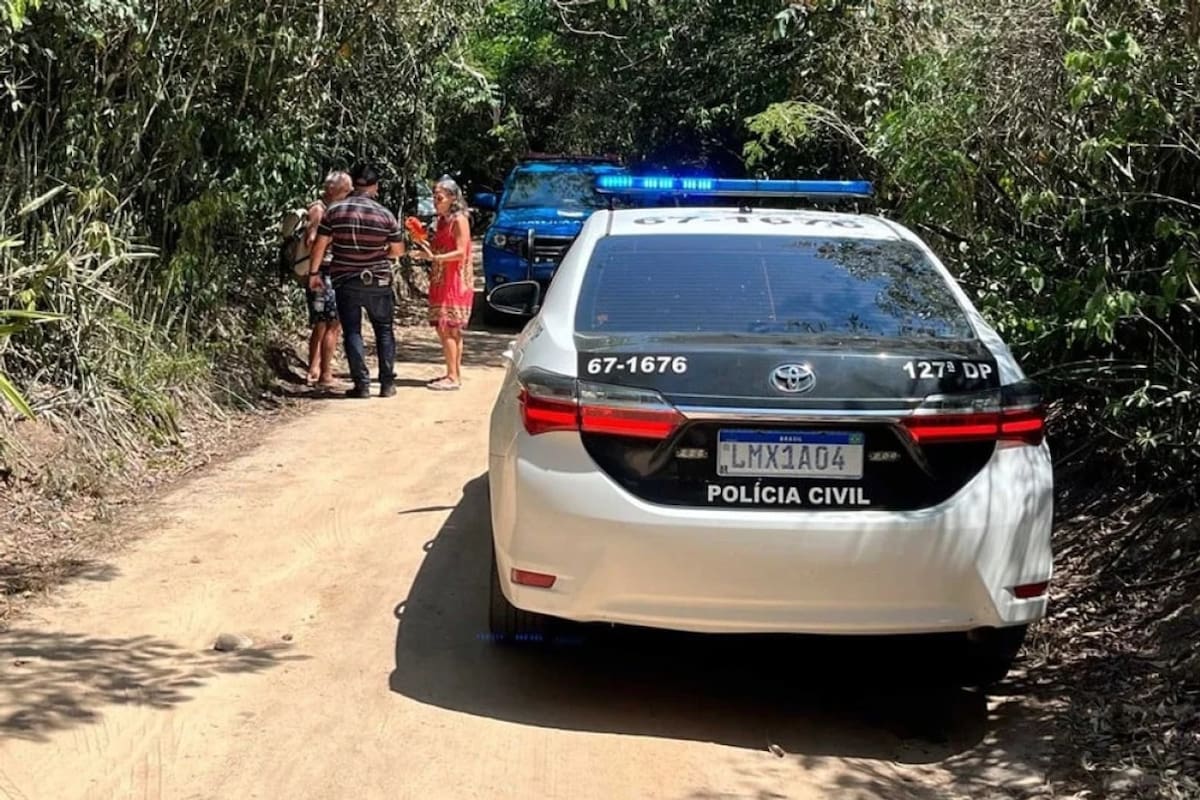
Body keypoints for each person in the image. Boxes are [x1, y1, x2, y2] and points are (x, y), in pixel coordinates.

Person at [307, 163, 405, 398]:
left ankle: (361, 385)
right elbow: (397, 251)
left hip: (345, 279)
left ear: (353, 184)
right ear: (375, 187)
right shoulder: (385, 215)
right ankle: (387, 384)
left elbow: (320, 244)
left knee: (352, 331)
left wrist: (313, 274)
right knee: (383, 329)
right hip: (378, 279)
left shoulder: (335, 212)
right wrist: (379, 254)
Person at [411, 176, 473, 390]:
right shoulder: (443, 221)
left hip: (453, 281)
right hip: (441, 278)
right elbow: (438, 248)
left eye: (439, 198)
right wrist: (423, 247)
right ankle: (452, 373)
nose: (436, 202)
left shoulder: (459, 220)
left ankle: (453, 376)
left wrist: (436, 258)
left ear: (452, 198)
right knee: (447, 329)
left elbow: (460, 252)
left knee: (448, 328)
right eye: (435, 198)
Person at [304, 170, 351, 386]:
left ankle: (315, 368)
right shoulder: (319, 209)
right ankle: (323, 373)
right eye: (345, 190)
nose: (349, 193)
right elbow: (311, 241)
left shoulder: (332, 209)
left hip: (326, 272)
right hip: (322, 273)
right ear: (333, 190)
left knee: (323, 322)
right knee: (330, 322)